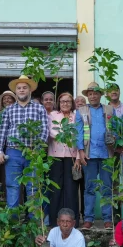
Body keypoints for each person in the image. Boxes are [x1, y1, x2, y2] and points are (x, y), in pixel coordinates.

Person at [0, 75, 49, 210]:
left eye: (24, 87)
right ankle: (13, 222)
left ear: (29, 90)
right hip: (13, 152)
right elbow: (2, 130)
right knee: (12, 185)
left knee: (33, 186)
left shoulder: (39, 108)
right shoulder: (9, 109)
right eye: (19, 88)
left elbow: (44, 129)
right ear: (16, 91)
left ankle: (33, 222)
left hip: (32, 152)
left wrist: (38, 148)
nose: (21, 90)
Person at [76, 82, 115, 229]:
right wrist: (80, 151)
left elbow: (115, 129)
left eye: (95, 93)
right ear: (88, 96)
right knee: (89, 188)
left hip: (106, 154)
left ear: (100, 95)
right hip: (89, 155)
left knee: (107, 188)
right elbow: (78, 132)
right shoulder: (81, 111)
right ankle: (89, 219)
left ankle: (107, 219)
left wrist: (116, 141)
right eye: (90, 93)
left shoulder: (109, 109)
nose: (93, 96)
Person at [48, 92, 80, 227]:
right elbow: (51, 132)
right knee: (56, 189)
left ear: (71, 103)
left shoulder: (76, 116)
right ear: (59, 103)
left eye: (68, 101)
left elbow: (79, 136)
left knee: (71, 190)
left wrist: (78, 158)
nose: (65, 104)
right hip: (55, 157)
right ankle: (54, 220)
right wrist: (66, 134)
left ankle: (73, 221)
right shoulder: (53, 115)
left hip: (72, 157)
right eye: (62, 101)